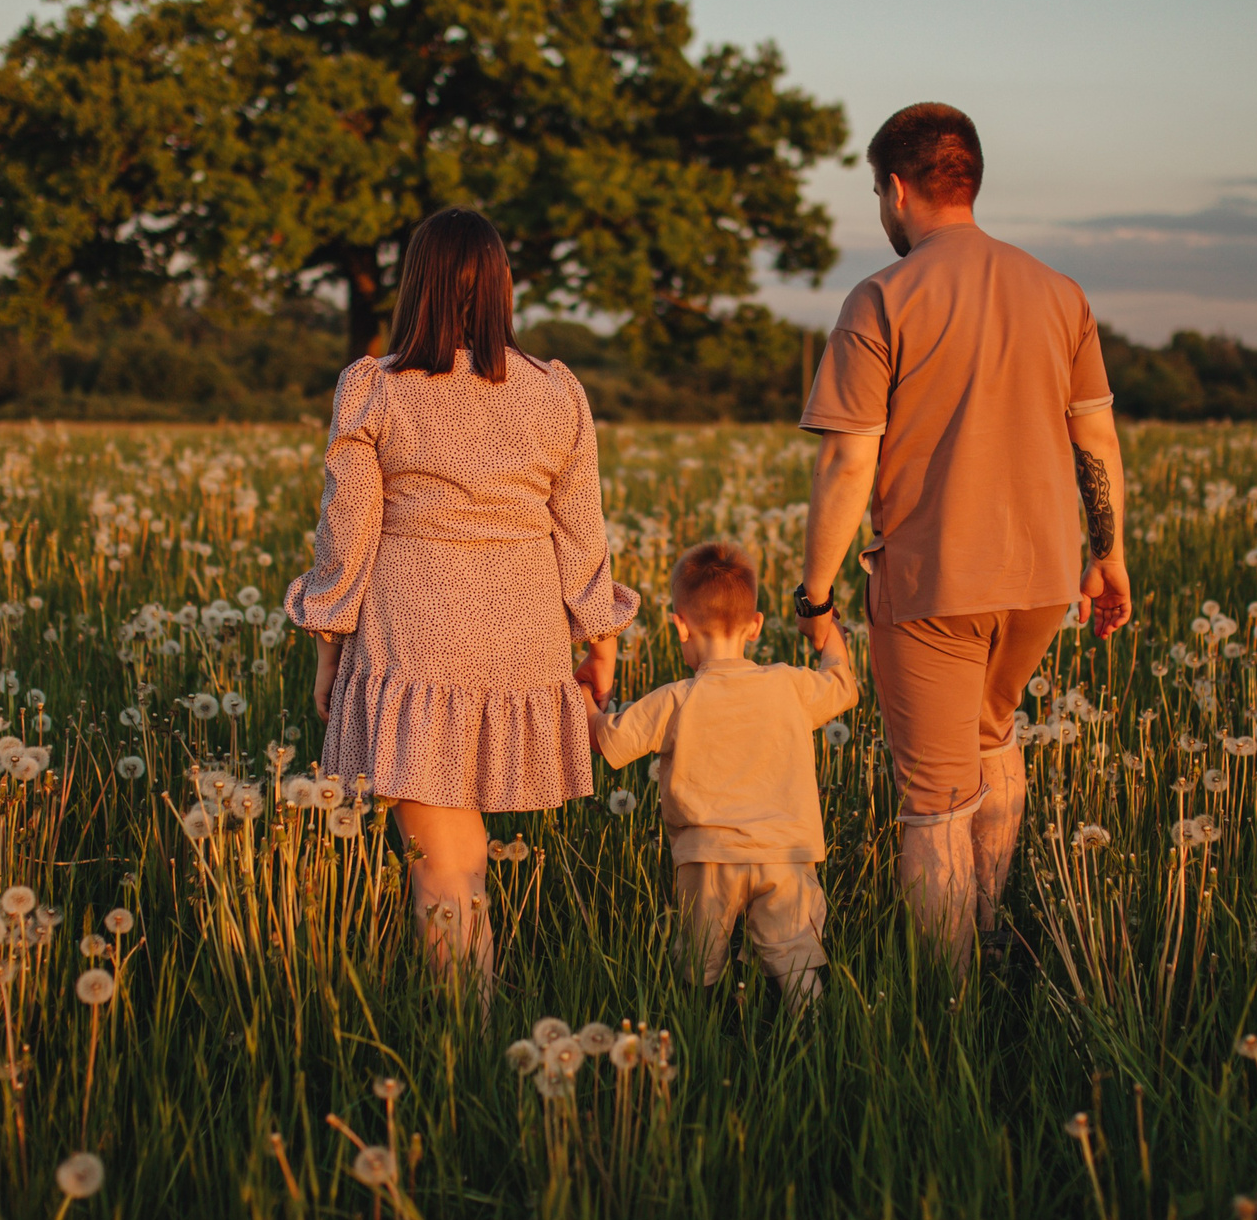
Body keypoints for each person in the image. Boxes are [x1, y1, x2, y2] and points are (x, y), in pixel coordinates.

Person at [795, 103, 1131, 972]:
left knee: (935, 801)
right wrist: (1108, 556)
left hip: (931, 581)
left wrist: (815, 593)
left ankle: (951, 1004)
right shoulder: (1060, 292)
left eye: (877, 192)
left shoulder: (881, 297)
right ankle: (990, 929)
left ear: (897, 189)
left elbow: (847, 463)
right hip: (1043, 579)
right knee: (992, 732)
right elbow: (1096, 441)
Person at [288, 208, 638, 990]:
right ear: (503, 287)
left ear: (416, 284)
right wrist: (601, 642)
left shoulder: (375, 387)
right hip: (519, 640)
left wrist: (328, 644)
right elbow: (582, 528)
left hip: (413, 639)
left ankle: (462, 1030)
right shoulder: (555, 391)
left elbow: (347, 529)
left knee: (439, 864)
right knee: (462, 850)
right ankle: (479, 1011)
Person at [589, 541, 858, 1006]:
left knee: (698, 964)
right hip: (786, 852)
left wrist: (584, 697)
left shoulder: (676, 699)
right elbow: (842, 684)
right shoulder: (789, 686)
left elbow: (607, 740)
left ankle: (698, 1033)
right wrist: (828, 632)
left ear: (680, 626)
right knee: (795, 958)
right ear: (755, 626)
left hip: (707, 857)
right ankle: (812, 1031)